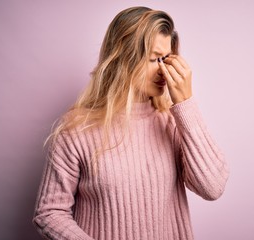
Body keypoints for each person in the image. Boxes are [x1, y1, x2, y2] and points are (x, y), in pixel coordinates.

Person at [32, 6, 229, 240]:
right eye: (155, 59)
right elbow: (49, 212)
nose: (164, 70)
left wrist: (185, 103)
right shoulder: (76, 129)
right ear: (123, 58)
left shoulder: (173, 122)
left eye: (167, 58)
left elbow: (213, 188)